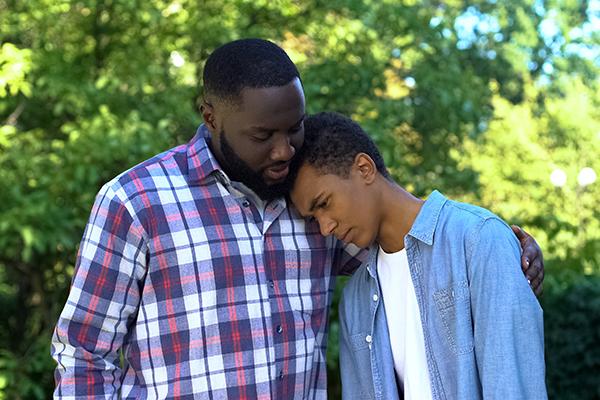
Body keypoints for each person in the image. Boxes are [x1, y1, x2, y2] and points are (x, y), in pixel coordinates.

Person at [51, 39, 544, 399]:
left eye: (295, 127)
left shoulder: (310, 202)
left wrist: (505, 241)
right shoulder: (136, 202)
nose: (285, 149)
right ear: (210, 116)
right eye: (263, 134)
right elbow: (82, 353)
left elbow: (409, 239)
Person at [290, 112, 547, 400]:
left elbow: (513, 388)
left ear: (364, 168)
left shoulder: (479, 241)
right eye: (314, 218)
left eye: (324, 203)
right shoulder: (355, 300)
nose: (325, 227)